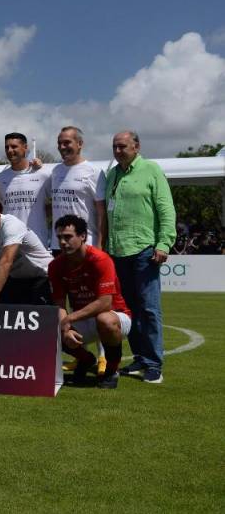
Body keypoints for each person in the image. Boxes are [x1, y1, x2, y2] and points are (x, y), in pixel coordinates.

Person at [107, 130, 176, 384]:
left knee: (149, 308)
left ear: (136, 147)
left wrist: (164, 242)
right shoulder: (112, 174)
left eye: (122, 146)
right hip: (116, 251)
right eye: (114, 147)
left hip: (144, 249)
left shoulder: (151, 170)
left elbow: (166, 208)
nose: (117, 151)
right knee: (128, 309)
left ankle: (154, 363)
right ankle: (139, 358)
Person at [50, 215, 132, 389]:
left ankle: (111, 370)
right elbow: (59, 303)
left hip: (116, 315)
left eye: (68, 237)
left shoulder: (100, 260)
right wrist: (64, 328)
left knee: (105, 320)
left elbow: (105, 303)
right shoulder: (55, 266)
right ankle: (86, 359)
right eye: (59, 238)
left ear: (83, 236)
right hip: (83, 319)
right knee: (49, 329)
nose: (63, 242)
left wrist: (69, 320)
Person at [0, 195, 53, 317]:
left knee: (43, 322)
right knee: (7, 319)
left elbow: (6, 261)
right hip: (16, 278)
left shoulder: (11, 225)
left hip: (42, 277)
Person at [51, 126, 107, 251]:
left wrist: (100, 245)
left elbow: (102, 213)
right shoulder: (55, 171)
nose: (62, 147)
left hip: (84, 245)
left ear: (80, 143)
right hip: (58, 245)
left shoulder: (94, 172)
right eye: (59, 143)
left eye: (67, 143)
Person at [0, 133, 52, 248]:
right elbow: (3, 206)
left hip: (38, 241)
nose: (10, 150)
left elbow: (56, 203)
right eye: (7, 147)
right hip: (10, 241)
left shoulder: (43, 174)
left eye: (14, 146)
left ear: (25, 147)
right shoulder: (0, 179)